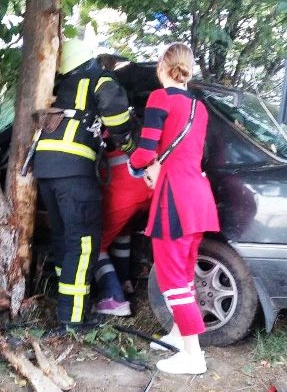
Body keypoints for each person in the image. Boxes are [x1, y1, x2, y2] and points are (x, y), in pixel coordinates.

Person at [128, 43, 220, 375]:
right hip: (198, 197)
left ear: (162, 67)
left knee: (172, 278)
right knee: (184, 273)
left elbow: (145, 150)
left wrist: (137, 166)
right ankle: (180, 335)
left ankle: (194, 355)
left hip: (174, 201)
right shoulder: (200, 108)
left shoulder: (159, 99)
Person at [32, 37, 135, 328]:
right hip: (75, 173)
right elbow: (116, 118)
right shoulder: (99, 79)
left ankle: (62, 302)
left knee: (63, 238)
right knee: (84, 242)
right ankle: (74, 317)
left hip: (47, 172)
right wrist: (129, 147)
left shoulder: (58, 86)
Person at [93, 138, 152, 316]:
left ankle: (114, 298)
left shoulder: (97, 128)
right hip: (146, 187)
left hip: (122, 191)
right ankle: (123, 281)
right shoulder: (125, 126)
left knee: (94, 245)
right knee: (122, 232)